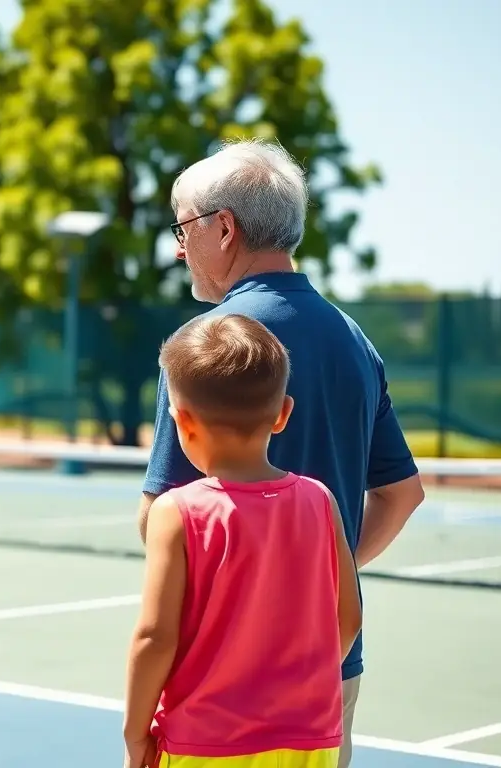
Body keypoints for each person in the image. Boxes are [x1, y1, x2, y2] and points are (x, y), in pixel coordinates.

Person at [140, 139, 426, 768]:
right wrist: (312, 579)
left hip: (215, 686)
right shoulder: (356, 342)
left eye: (183, 227)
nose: (179, 248)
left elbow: (160, 519)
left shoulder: (203, 346)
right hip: (323, 681)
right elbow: (403, 496)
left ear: (224, 227)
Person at [123, 313, 362, 768]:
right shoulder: (321, 501)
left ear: (182, 424)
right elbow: (348, 619)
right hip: (310, 742)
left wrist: (135, 735)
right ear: (284, 414)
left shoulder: (174, 512)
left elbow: (154, 637)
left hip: (205, 746)